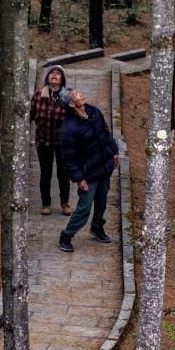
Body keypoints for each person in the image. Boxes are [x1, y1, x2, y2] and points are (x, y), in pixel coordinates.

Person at [57, 89, 120, 253]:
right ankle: (66, 236)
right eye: (76, 95)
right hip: (88, 173)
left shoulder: (94, 111)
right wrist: (79, 178)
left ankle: (97, 227)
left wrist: (114, 152)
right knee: (84, 207)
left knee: (102, 201)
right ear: (71, 104)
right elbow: (68, 159)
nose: (81, 94)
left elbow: (106, 134)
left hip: (104, 167)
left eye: (79, 92)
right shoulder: (69, 128)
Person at [30, 65, 71, 216]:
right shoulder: (39, 94)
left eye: (57, 74)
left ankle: (65, 203)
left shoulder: (67, 95)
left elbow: (75, 116)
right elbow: (30, 114)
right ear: (47, 78)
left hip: (63, 142)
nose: (54, 75)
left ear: (62, 78)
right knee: (45, 172)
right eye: (51, 73)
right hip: (43, 140)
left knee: (63, 173)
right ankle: (46, 204)